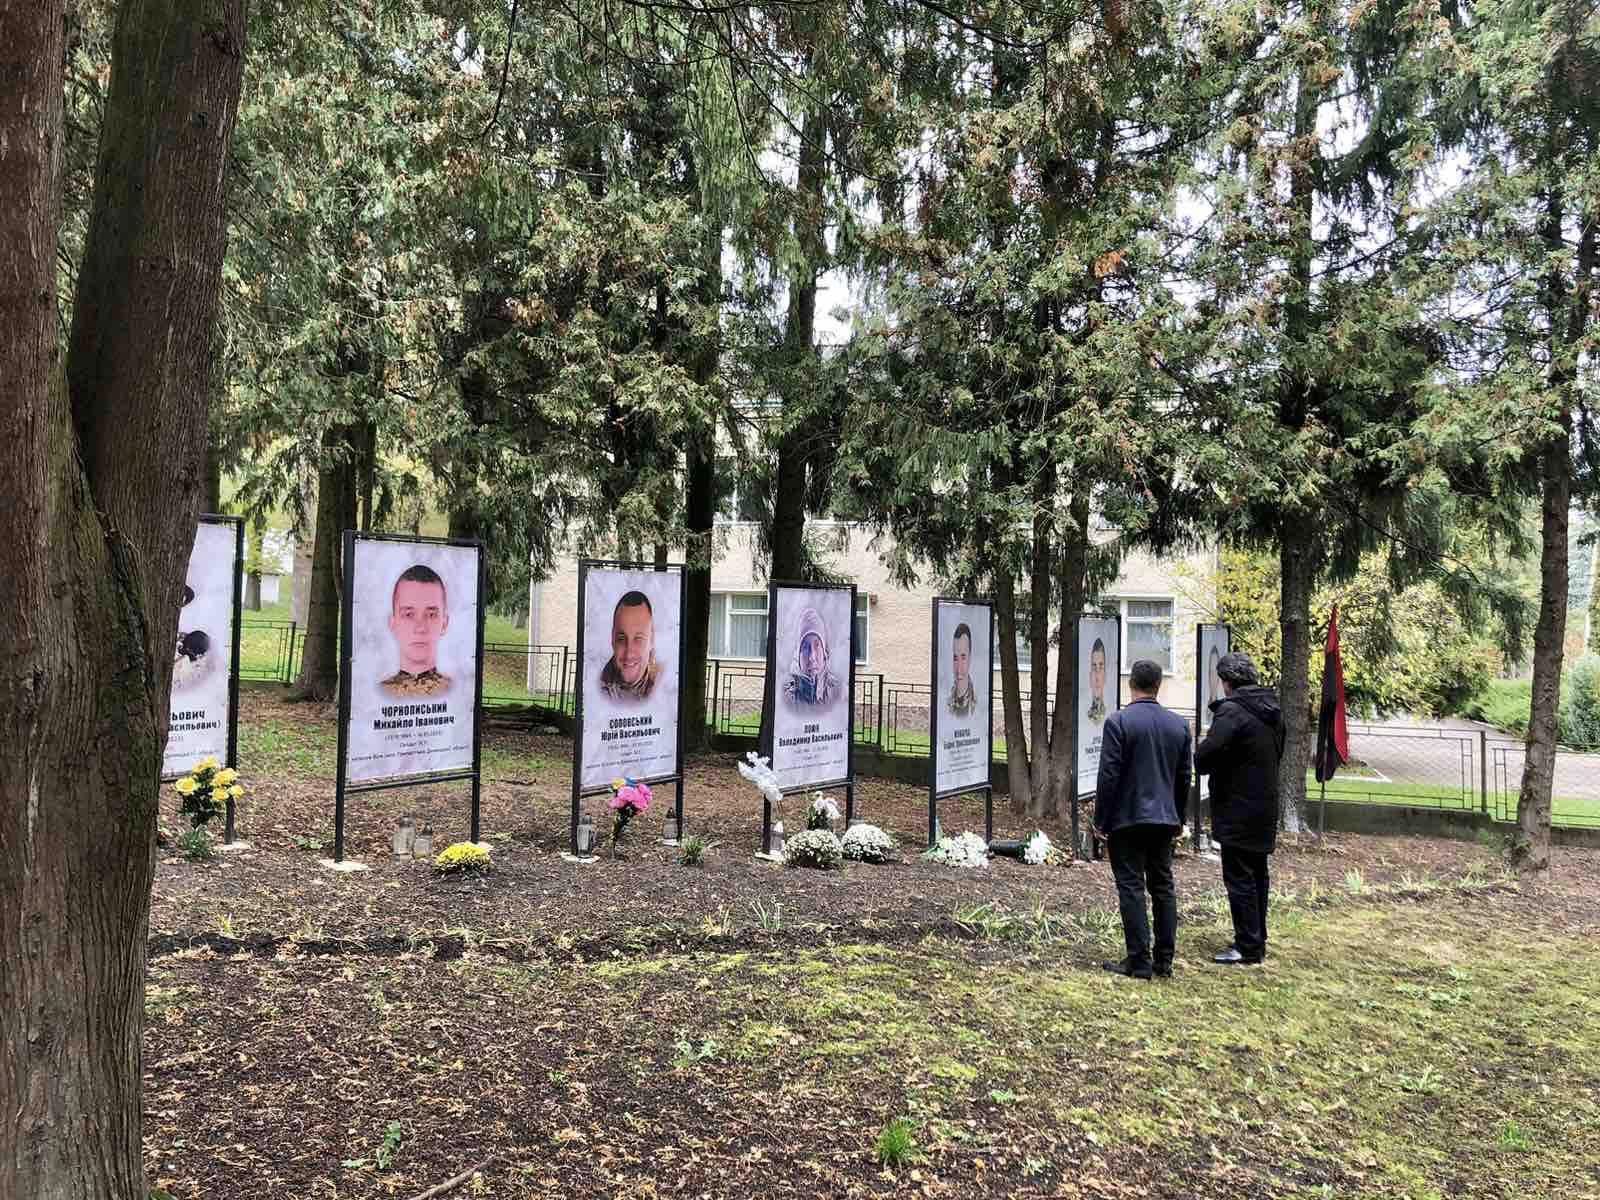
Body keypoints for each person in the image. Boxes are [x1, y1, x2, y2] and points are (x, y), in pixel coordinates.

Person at [1094, 659, 1192, 980]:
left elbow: (1109, 776)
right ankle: (1164, 959)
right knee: (1163, 885)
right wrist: (1178, 817)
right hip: (1164, 818)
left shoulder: (1118, 722)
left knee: (1131, 886)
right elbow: (1184, 776)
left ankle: (1139, 961)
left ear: (1131, 684)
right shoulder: (1179, 726)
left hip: (1127, 818)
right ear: (1158, 686)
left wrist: (1101, 820)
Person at [1194, 651, 1284, 966]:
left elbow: (1206, 756)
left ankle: (1247, 946)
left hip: (1236, 806)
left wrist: (1201, 753)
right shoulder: (1272, 709)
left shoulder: (1231, 712)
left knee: (1239, 877)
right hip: (1265, 804)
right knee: (1258, 874)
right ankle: (1257, 938)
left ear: (1227, 682)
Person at [381, 564, 452, 697]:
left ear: (444, 624)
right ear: (393, 623)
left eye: (431, 615)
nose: (420, 628)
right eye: (409, 614)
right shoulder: (377, 695)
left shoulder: (456, 693)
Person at [600, 590, 660, 701]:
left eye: (638, 639)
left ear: (652, 639)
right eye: (621, 639)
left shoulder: (665, 687)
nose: (629, 654)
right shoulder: (598, 689)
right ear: (612, 639)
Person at [784, 605, 841, 707]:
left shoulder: (839, 693)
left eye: (817, 646)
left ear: (824, 652)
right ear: (798, 655)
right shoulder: (787, 699)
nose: (812, 658)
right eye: (805, 647)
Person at [947, 622, 977, 717]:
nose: (959, 668)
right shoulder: (947, 703)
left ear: (970, 657)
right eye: (955, 658)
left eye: (963, 657)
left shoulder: (977, 703)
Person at [1086, 638, 1108, 722]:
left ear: (1105, 676)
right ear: (1090, 677)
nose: (1097, 677)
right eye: (1094, 667)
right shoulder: (1086, 712)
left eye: (1101, 667)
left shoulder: (1108, 713)